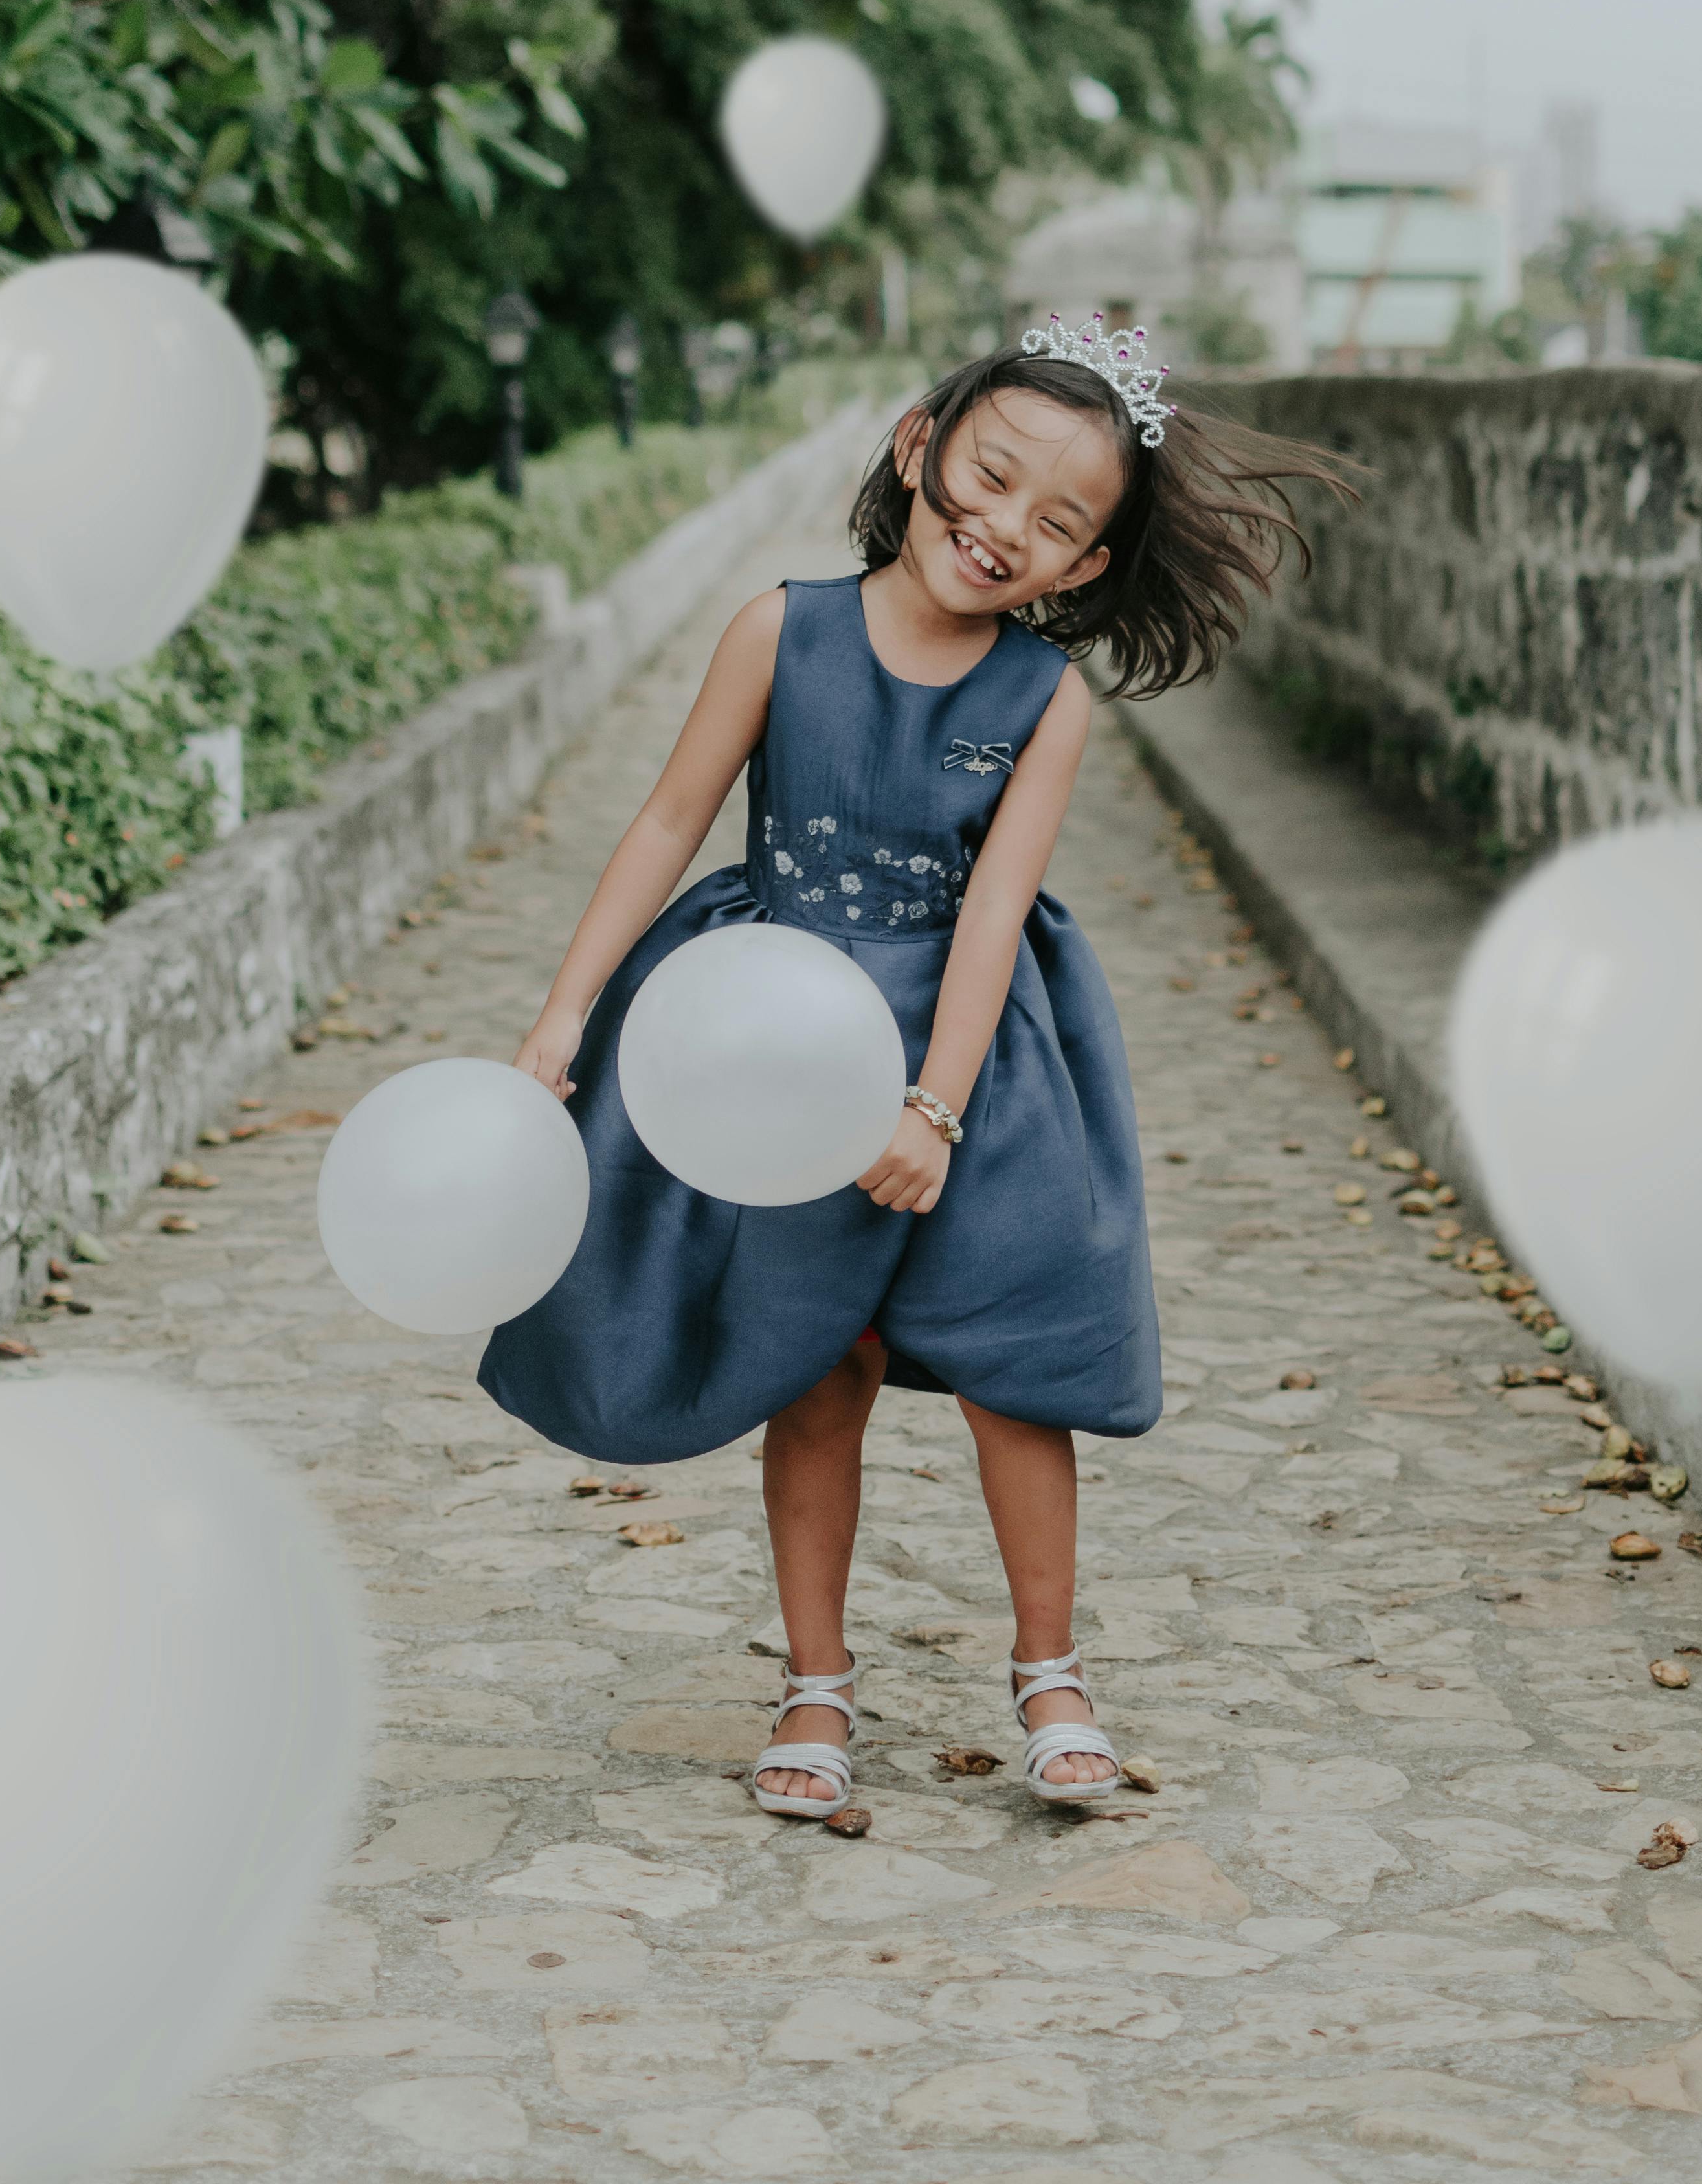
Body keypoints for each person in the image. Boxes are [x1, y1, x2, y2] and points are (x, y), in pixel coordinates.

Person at [480, 316, 1342, 1817]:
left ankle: (1052, 1672)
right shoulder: (782, 629)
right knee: (818, 1365)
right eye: (990, 475)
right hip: (776, 1050)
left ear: (1084, 567)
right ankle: (816, 1684)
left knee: (1022, 1375)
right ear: (915, 445)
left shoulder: (1044, 699)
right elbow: (668, 823)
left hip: (967, 1060)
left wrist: (937, 1106)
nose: (1004, 526)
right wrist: (565, 1014)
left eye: (1057, 520)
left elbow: (996, 913)